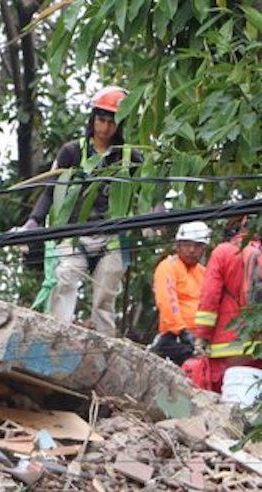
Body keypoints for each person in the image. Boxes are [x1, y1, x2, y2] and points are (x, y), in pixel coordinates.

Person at [19, 86, 143, 337]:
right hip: (77, 234)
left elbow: (146, 193)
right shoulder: (72, 152)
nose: (105, 127)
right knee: (64, 278)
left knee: (105, 296)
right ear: (92, 119)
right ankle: (56, 336)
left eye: (112, 122)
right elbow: (51, 189)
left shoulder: (130, 158)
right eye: (101, 120)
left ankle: (105, 347)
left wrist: (157, 208)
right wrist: (34, 220)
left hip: (112, 237)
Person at [192, 217, 262, 392]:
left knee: (225, 405)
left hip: (226, 346)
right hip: (258, 345)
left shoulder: (223, 252)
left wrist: (202, 335)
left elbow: (210, 297)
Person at [150, 222, 210, 365]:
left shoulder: (203, 272)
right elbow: (167, 301)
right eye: (187, 244)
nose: (191, 250)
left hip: (200, 338)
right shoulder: (168, 266)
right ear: (177, 246)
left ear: (204, 249)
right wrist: (183, 332)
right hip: (175, 337)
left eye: (197, 246)